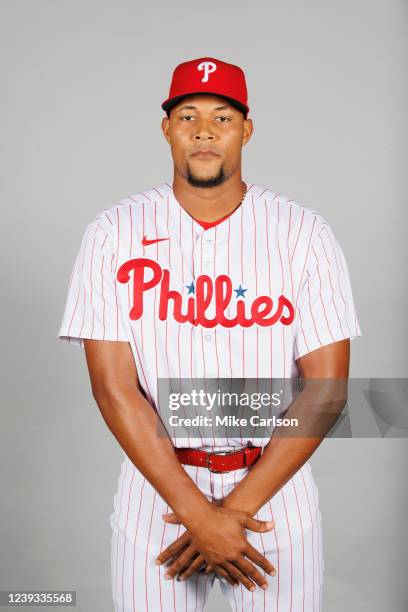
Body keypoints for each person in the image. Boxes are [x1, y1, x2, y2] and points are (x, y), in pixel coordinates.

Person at [57, 56, 362, 611]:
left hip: (275, 488)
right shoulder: (112, 233)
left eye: (222, 117)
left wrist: (236, 513)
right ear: (167, 128)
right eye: (188, 115)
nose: (203, 129)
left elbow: (326, 390)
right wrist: (199, 515)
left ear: (246, 129)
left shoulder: (304, 234)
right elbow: (113, 388)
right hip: (157, 491)